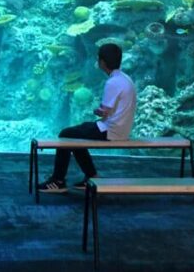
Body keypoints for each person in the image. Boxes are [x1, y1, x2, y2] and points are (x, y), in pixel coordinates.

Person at [39, 42, 137, 194]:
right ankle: (92, 176)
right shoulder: (125, 78)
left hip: (111, 131)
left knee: (66, 134)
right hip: (120, 128)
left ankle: (58, 180)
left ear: (102, 62)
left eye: (98, 59)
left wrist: (95, 109)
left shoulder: (113, 82)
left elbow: (104, 112)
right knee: (78, 132)